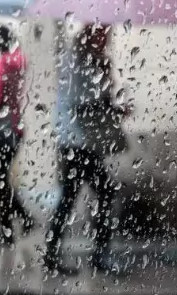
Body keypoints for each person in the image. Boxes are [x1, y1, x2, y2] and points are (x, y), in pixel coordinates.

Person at [43, 25, 132, 275]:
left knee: (78, 197)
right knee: (97, 194)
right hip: (74, 142)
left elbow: (99, 101)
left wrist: (108, 83)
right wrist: (107, 95)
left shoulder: (94, 62)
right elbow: (83, 104)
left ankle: (62, 254)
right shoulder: (74, 62)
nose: (106, 41)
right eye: (102, 36)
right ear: (89, 36)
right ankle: (94, 256)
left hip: (84, 143)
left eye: (108, 36)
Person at [0, 25, 34, 247]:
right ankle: (24, 219)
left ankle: (7, 232)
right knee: (2, 180)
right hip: (14, 128)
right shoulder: (15, 64)